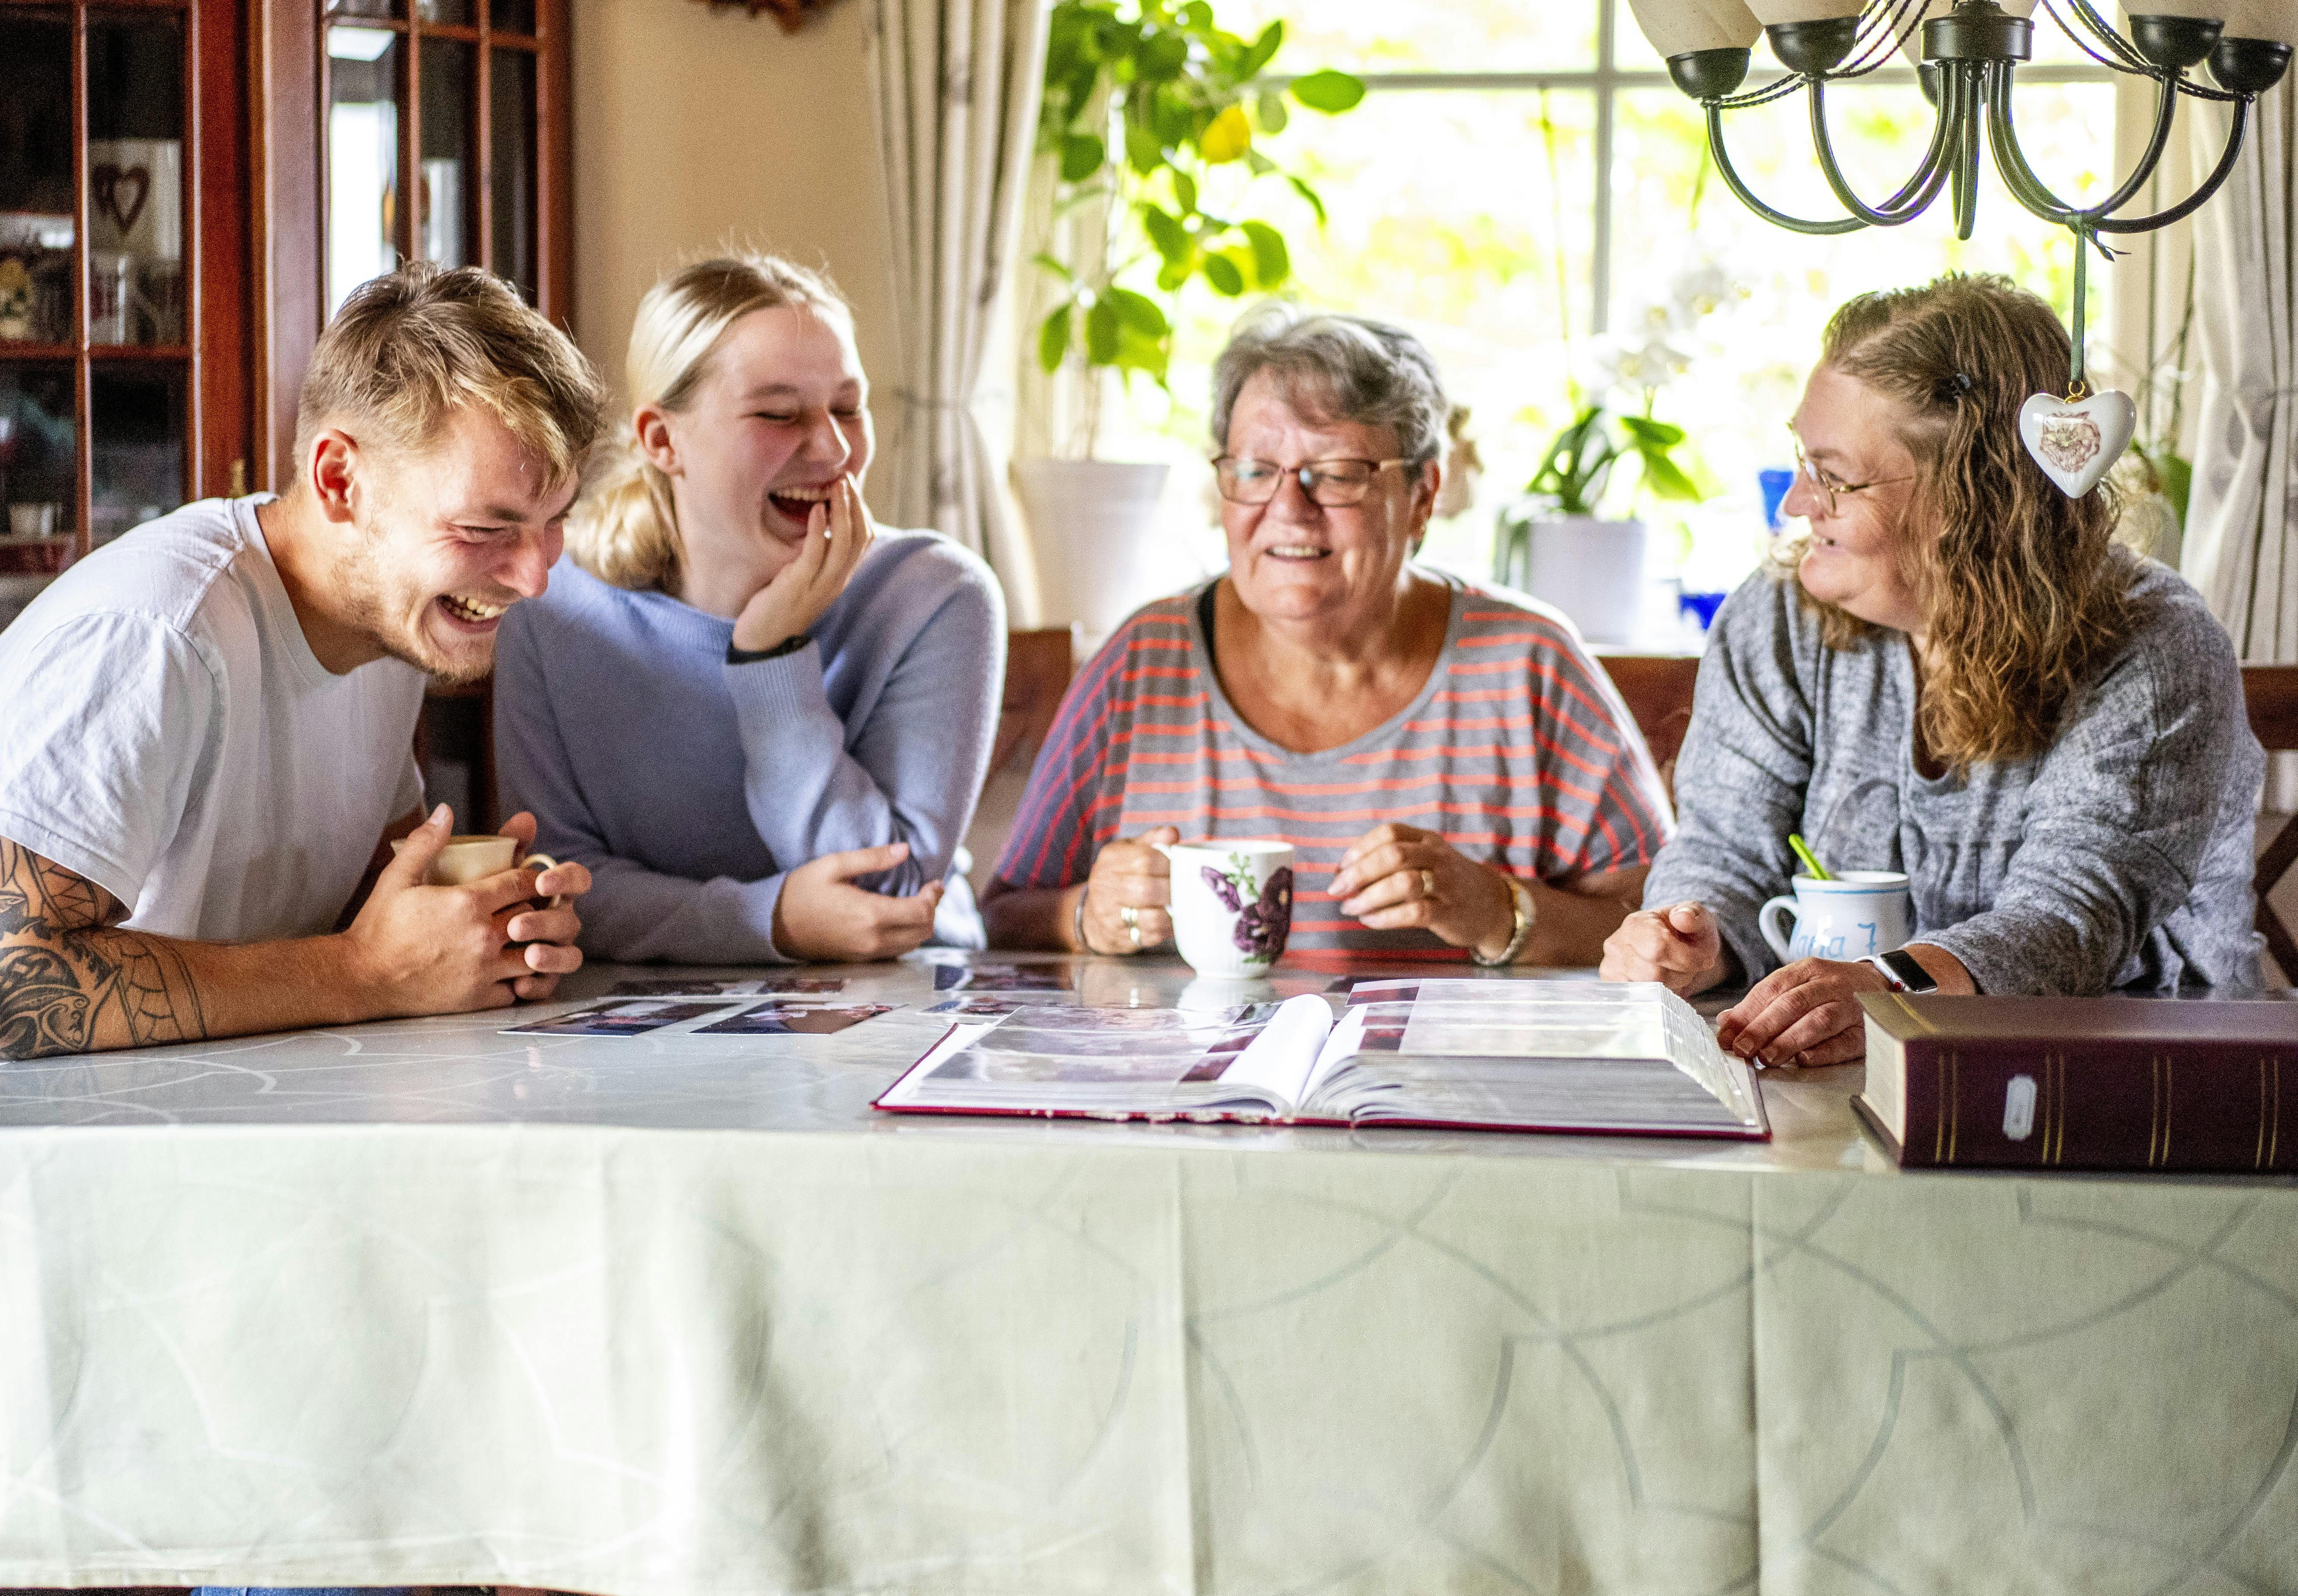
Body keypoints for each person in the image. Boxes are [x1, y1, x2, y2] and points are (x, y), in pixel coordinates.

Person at [0, 262, 607, 1184]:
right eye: (486, 529)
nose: (536, 576)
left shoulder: (393, 628)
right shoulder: (161, 632)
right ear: (341, 478)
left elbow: (366, 902)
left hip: (101, 1139)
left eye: (554, 523)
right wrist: (368, 972)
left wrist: (484, 921)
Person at [1602, 273, 2264, 1065]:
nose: (1798, 504)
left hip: (2135, 1083)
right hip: (1848, 1079)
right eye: (1801, 462)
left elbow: (2068, 924)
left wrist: (1883, 989)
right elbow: (1728, 852)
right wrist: (1690, 937)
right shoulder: (1775, 618)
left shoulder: (2156, 645)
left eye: (1835, 476)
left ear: (1971, 495)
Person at [982, 306, 1669, 968]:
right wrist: (1088, 916)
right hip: (1192, 1084)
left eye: (1338, 475)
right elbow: (1005, 916)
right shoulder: (1144, 661)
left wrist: (1498, 909)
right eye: (1254, 471)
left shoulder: (1530, 665)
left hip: (1455, 1085)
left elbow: (1665, 931)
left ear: (1423, 497)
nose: (1288, 510)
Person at [494, 253, 1005, 962]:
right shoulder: (554, 612)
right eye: (779, 414)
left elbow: (887, 901)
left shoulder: (936, 594)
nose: (834, 450)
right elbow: (558, 889)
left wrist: (772, 656)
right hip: (641, 1033)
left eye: (849, 410)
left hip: (907, 1011)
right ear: (662, 440)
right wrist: (770, 922)